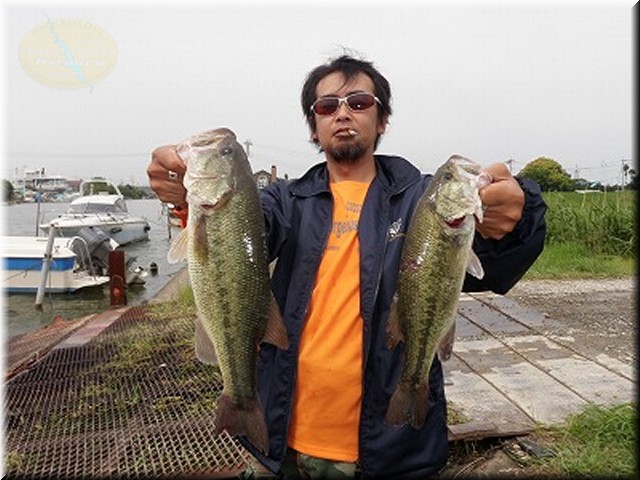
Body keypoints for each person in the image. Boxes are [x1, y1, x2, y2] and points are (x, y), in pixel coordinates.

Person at [147, 55, 547, 479]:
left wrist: (518, 218)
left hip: (385, 449)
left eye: (358, 102)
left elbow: (496, 268)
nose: (342, 113)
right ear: (313, 126)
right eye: (327, 106)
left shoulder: (421, 200)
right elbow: (238, 236)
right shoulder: (285, 201)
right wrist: (179, 193)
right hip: (281, 441)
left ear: (382, 119)